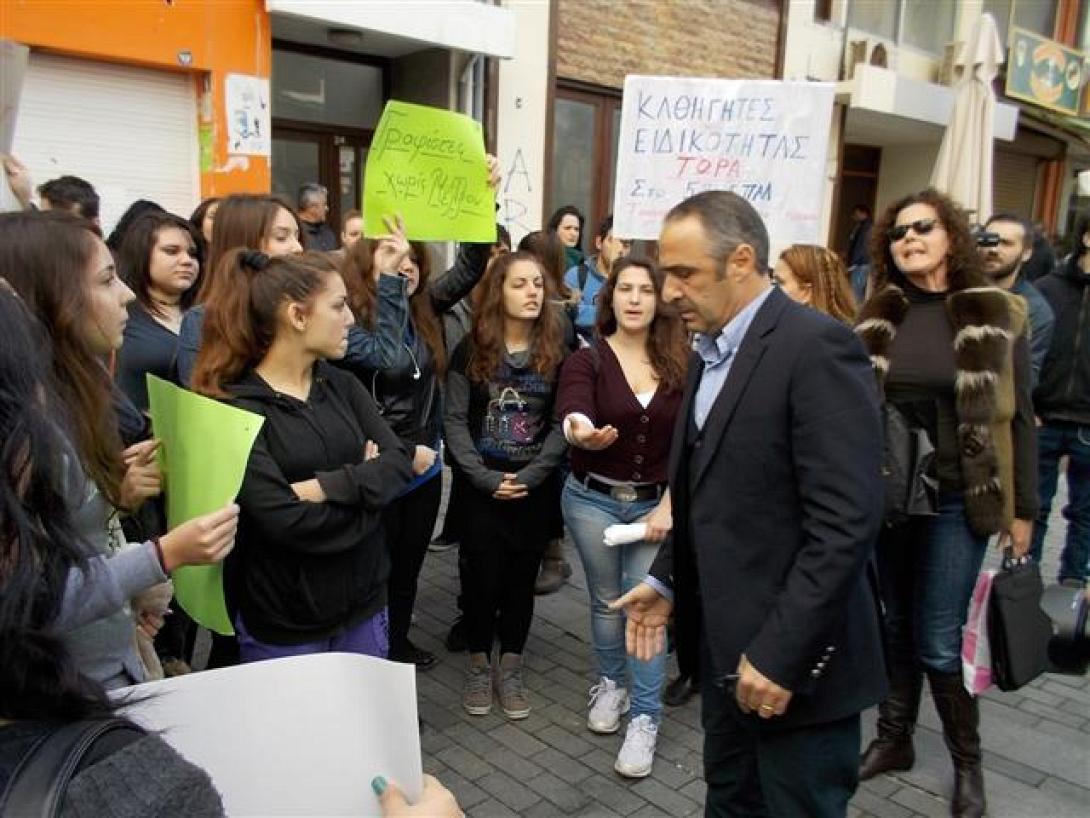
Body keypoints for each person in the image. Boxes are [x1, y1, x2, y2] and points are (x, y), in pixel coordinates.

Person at [612, 190, 887, 817]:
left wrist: (781, 654)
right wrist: (668, 580)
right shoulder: (708, 350)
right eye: (666, 274)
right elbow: (710, 494)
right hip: (725, 655)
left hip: (796, 669)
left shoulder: (816, 347)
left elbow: (845, 524)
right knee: (730, 802)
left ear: (740, 260)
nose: (669, 292)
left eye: (685, 273)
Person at [852, 189, 1037, 818]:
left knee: (936, 638)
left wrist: (1024, 511)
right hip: (891, 496)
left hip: (960, 497)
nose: (909, 239)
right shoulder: (879, 314)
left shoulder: (995, 311)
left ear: (951, 235)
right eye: (898, 232)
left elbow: (1022, 420)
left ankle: (967, 764)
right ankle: (894, 740)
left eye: (922, 227)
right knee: (893, 624)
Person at [0, 211, 241, 689]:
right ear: (47, 297)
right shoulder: (21, 430)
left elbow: (75, 538)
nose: (126, 293)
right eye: (106, 280)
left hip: (104, 663)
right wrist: (160, 556)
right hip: (60, 689)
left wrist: (116, 501)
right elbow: (32, 596)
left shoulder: (73, 393)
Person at [192, 249, 412, 663]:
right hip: (284, 622)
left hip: (364, 604)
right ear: (297, 315)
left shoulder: (343, 385)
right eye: (339, 305)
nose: (351, 319)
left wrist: (323, 487)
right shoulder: (237, 408)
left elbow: (399, 463)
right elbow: (283, 520)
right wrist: (367, 494)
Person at [338, 219, 492, 670]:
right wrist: (389, 286)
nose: (405, 267)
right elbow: (385, 358)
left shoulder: (424, 308)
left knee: (407, 567)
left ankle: (397, 643)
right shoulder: (348, 321)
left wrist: (481, 206)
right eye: (392, 257)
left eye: (413, 260)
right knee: (375, 571)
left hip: (425, 469)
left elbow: (470, 266)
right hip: (380, 464)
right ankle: (372, 658)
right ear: (366, 265)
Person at [557, 257, 689, 778]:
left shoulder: (683, 362)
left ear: (659, 300)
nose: (634, 299)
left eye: (645, 290)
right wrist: (580, 431)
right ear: (609, 297)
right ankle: (611, 684)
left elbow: (693, 441)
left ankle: (646, 718)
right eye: (625, 289)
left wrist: (671, 503)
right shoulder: (587, 358)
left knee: (645, 606)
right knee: (606, 600)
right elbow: (574, 407)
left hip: (657, 506)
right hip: (592, 500)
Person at [444, 251, 568, 719]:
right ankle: (480, 665)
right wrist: (484, 477)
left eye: (537, 283)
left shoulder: (556, 349)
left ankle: (510, 667)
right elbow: (454, 420)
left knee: (521, 582)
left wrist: (530, 477)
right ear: (499, 291)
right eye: (520, 284)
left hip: (534, 491)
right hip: (481, 490)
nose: (533, 292)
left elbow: (560, 425)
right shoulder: (471, 349)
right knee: (480, 582)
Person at [176, 194, 303, 386]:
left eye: (297, 236)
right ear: (244, 241)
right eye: (281, 237)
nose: (298, 248)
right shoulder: (202, 321)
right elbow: (201, 393)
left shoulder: (306, 306)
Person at [1030, 209, 1090, 585]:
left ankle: (1072, 590)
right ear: (1086, 238)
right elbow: (1025, 352)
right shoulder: (1047, 288)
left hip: (1088, 423)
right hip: (1044, 417)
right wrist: (1029, 405)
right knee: (1033, 508)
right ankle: (1023, 588)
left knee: (1086, 515)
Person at [116, 211, 202, 412]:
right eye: (171, 251)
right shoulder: (122, 315)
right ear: (142, 255)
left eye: (192, 254)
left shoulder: (207, 314)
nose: (187, 261)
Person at [981, 213, 1056, 385]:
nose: (993, 249)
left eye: (1006, 243)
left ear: (1026, 253)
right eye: (989, 240)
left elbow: (1024, 379)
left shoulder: (1034, 309)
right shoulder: (955, 289)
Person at [563, 215, 632, 343]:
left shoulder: (632, 281)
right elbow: (571, 314)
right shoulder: (576, 275)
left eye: (626, 245)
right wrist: (616, 313)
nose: (619, 250)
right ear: (599, 242)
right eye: (613, 241)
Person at [772, 243, 858, 324]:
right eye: (773, 282)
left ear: (807, 292)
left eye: (780, 282)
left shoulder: (829, 334)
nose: (771, 289)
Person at [297, 182, 338, 252]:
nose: (327, 208)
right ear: (313, 207)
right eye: (324, 204)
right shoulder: (297, 233)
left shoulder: (327, 232)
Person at [547, 204, 585, 270]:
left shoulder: (584, 261)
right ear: (555, 230)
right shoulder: (545, 259)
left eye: (576, 229)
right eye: (567, 228)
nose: (573, 233)